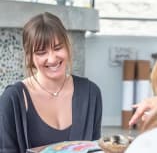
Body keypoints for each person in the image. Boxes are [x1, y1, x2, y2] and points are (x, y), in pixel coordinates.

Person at [0, 12, 102, 153]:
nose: (52, 59)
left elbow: (95, 148)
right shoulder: (13, 99)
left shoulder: (91, 93)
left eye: (58, 48)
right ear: (30, 57)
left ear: (67, 45)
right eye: (41, 52)